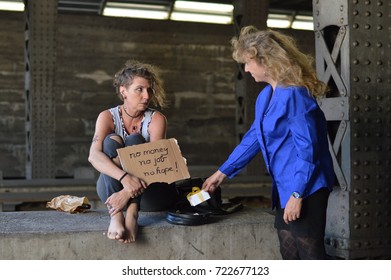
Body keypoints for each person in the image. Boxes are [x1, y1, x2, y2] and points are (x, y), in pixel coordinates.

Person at [202, 26, 334, 260]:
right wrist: (222, 173)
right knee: (289, 252)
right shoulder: (265, 96)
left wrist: (297, 194)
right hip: (284, 187)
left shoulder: (295, 94)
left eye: (248, 62)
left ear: (265, 61)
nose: (246, 68)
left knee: (311, 258)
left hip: (306, 186)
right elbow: (253, 138)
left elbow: (308, 151)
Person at [88, 60, 167, 243]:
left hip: (149, 193)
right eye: (139, 89)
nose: (146, 96)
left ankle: (131, 214)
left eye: (149, 90)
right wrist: (125, 178)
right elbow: (94, 156)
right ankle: (116, 216)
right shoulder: (107, 117)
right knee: (109, 143)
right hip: (110, 190)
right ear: (124, 91)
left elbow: (156, 165)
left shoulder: (156, 119)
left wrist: (125, 193)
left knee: (134, 140)